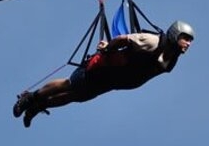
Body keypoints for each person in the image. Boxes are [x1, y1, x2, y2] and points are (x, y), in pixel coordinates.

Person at [13, 20, 195, 127]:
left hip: (113, 82)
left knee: (76, 97)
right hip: (104, 68)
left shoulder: (171, 60)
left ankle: (37, 106)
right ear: (175, 34)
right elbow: (124, 39)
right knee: (71, 84)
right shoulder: (153, 42)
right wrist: (108, 47)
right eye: (185, 38)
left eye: (190, 41)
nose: (188, 43)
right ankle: (31, 97)